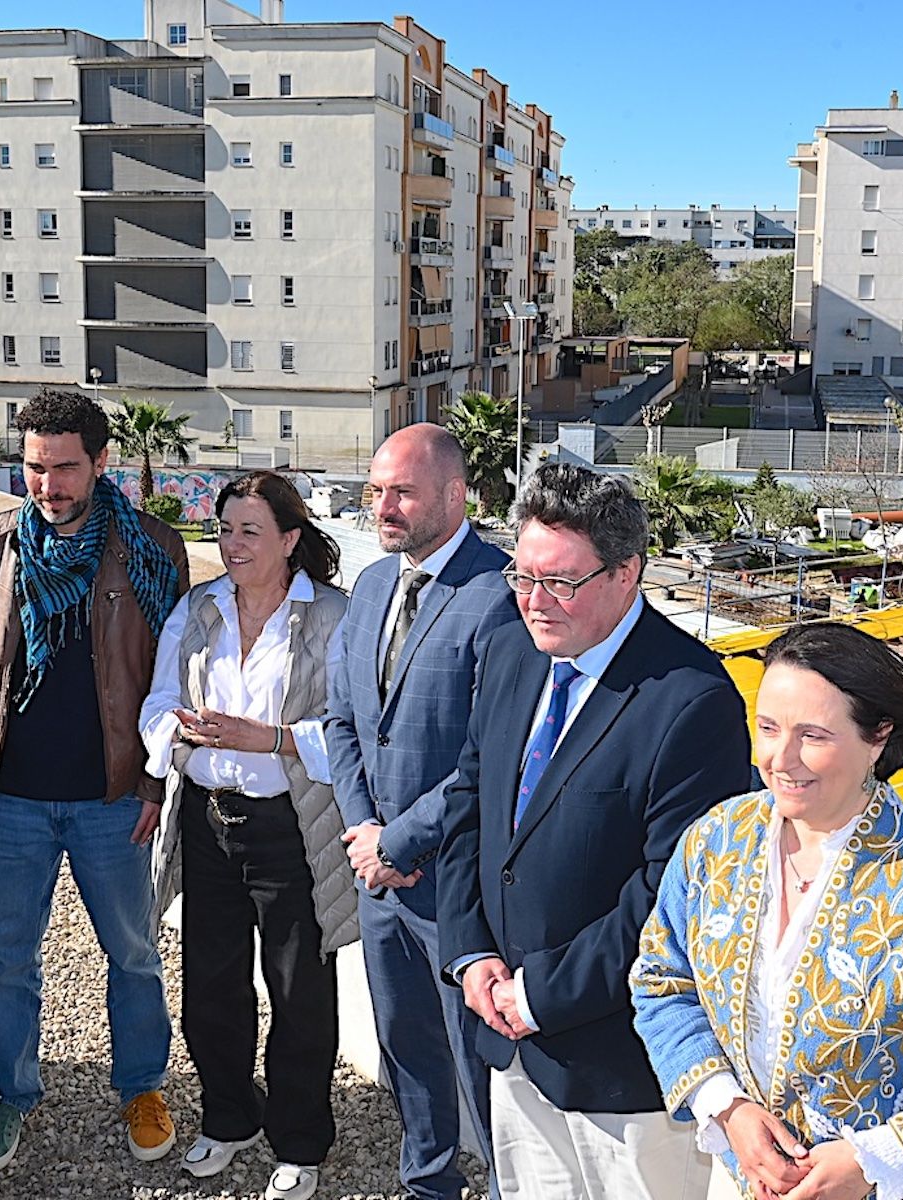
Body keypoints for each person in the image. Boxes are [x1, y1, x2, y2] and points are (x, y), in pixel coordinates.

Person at [631, 622, 903, 1200]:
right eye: (768, 728)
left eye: (813, 735)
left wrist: (872, 1161)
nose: (780, 759)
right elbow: (662, 981)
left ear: (878, 738)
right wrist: (726, 1106)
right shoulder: (714, 842)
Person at [436, 463, 756, 1199]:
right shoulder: (513, 648)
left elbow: (667, 899)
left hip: (623, 1073)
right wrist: (471, 953)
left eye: (561, 583)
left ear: (626, 573)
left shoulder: (693, 700)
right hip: (507, 1041)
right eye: (523, 575)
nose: (535, 602)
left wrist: (539, 995)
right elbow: (469, 808)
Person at [0, 389, 189, 1174]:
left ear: (101, 462)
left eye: (64, 468)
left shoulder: (151, 547)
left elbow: (173, 680)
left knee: (134, 954)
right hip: (10, 798)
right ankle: (12, 1092)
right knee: (6, 956)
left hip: (112, 797)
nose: (47, 486)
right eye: (34, 468)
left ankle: (143, 1086)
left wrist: (155, 783)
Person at [142, 470, 354, 1200]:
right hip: (208, 821)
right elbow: (158, 701)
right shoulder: (197, 609)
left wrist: (273, 739)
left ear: (290, 540)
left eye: (249, 532)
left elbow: (355, 730)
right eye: (225, 529)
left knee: (299, 990)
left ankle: (299, 1140)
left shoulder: (333, 616)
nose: (231, 545)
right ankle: (229, 1120)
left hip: (290, 829)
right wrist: (174, 731)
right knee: (211, 985)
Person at [324, 425, 518, 1200]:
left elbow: (488, 753)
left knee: (481, 1066)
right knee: (405, 1046)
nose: (383, 507)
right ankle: (428, 1181)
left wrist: (400, 839)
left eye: (400, 491)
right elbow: (343, 721)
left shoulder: (503, 594)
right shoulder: (372, 586)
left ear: (454, 494)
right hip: (380, 883)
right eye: (376, 491)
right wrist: (367, 834)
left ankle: (506, 1186)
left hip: (460, 890)